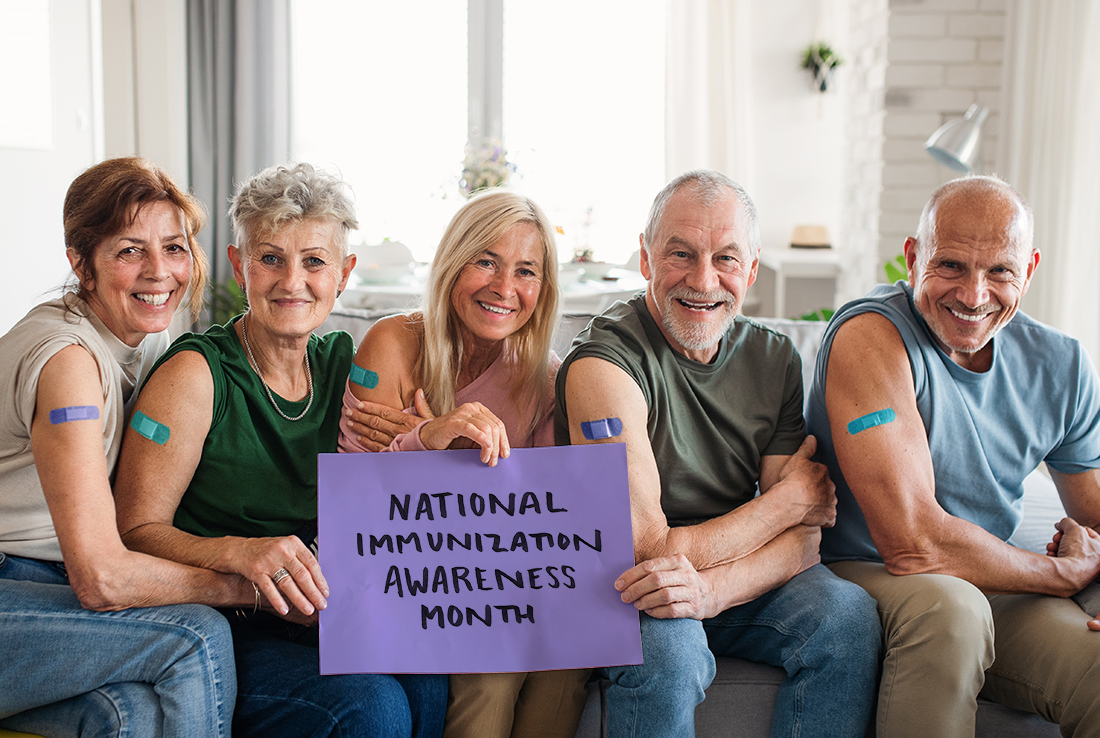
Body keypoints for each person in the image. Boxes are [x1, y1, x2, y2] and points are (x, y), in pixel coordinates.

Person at [113, 163, 448, 738]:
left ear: (343, 275)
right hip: (218, 620)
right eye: (271, 258)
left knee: (428, 676)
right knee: (370, 706)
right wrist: (239, 552)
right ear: (240, 266)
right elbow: (133, 529)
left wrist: (426, 441)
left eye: (314, 261)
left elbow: (395, 495)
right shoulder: (196, 376)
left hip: (317, 611)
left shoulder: (347, 368)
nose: (292, 281)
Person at [554, 169, 881, 738]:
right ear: (647, 259)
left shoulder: (775, 357)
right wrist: (786, 503)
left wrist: (712, 591)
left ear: (751, 269)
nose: (704, 280)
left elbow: (804, 540)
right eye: (681, 253)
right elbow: (646, 548)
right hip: (621, 584)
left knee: (848, 619)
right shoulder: (603, 364)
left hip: (730, 573)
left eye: (726, 258)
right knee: (669, 655)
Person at [806, 174, 1100, 737]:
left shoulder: (1061, 364)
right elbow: (911, 543)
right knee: (953, 612)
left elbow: (1094, 516)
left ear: (1029, 271)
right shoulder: (870, 336)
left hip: (991, 578)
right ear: (913, 258)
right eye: (951, 266)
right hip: (864, 573)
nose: (973, 295)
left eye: (1000, 272)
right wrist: (1058, 574)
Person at [0, 157, 240, 737]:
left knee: (129, 717)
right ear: (81, 264)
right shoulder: (68, 364)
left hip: (47, 593)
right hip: (17, 586)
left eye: (175, 248)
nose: (159, 272)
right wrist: (246, 588)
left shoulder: (149, 343)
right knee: (197, 635)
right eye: (130, 250)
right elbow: (102, 578)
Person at [339, 189, 591, 738]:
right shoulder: (393, 343)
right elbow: (354, 510)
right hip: (404, 583)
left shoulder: (545, 376)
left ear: (542, 289)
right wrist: (428, 438)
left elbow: (544, 518)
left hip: (504, 580)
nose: (504, 288)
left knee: (570, 657)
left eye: (526, 271)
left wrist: (434, 462)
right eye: (486, 261)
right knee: (494, 668)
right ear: (454, 261)